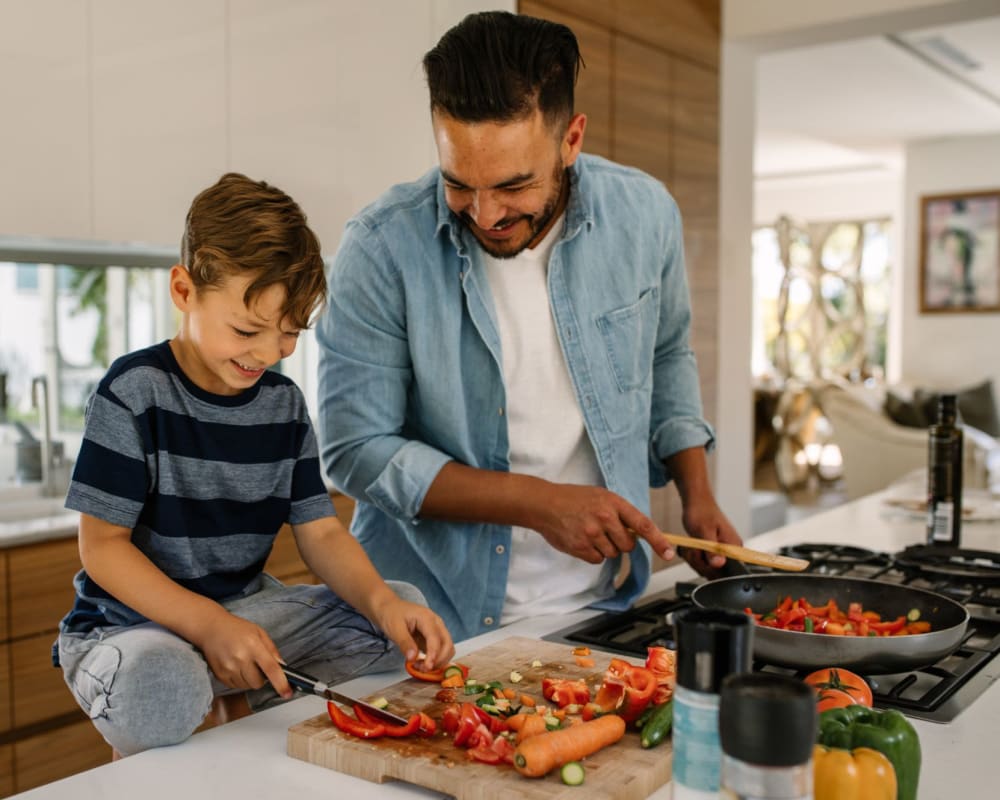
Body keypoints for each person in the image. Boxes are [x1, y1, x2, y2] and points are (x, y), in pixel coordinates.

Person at [316, 11, 741, 643]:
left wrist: (696, 489)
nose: (485, 215)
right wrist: (539, 503)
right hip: (426, 619)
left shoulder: (646, 215)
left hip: (603, 607)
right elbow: (355, 452)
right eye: (459, 183)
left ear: (571, 140)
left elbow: (666, 353)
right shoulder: (380, 248)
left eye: (514, 185)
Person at [55, 173, 453, 757]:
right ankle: (209, 693)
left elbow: (319, 531)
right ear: (184, 291)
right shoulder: (133, 391)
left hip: (242, 613)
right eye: (246, 329)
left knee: (393, 614)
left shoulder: (283, 404)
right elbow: (103, 548)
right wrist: (208, 628)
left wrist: (384, 604)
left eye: (289, 333)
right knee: (161, 681)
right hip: (129, 628)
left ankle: (225, 693)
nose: (268, 354)